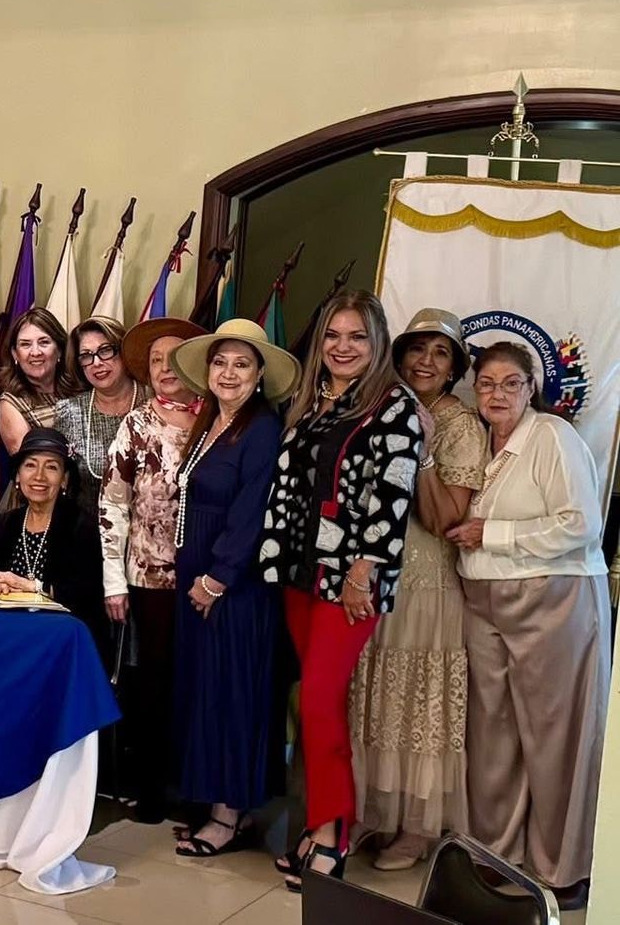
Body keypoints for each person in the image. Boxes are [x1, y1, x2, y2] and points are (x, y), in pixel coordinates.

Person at [257, 290, 423, 889]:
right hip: (298, 573)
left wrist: (364, 570)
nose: (343, 347)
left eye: (356, 337)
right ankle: (322, 822)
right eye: (333, 336)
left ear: (376, 342)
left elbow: (393, 497)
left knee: (323, 703)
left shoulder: (393, 405)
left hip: (348, 582)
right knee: (314, 705)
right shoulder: (312, 398)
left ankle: (331, 835)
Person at [449, 342, 607, 910]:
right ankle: (496, 854)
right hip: (482, 599)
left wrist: (492, 533)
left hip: (553, 598)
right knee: (491, 732)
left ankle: (563, 869)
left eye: (511, 383)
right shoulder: (472, 439)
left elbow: (582, 523)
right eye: (486, 383)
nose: (497, 394)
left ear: (531, 386)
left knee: (555, 737)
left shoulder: (552, 438)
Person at [348, 308, 483, 869]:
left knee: (416, 705)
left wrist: (424, 453)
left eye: (441, 353)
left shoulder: (460, 424)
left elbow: (446, 518)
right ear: (399, 355)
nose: (426, 361)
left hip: (426, 586)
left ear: (454, 368)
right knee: (372, 698)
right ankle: (371, 813)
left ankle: (420, 827)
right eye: (417, 349)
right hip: (371, 578)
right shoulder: (380, 408)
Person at [167, 319, 293, 860]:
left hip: (231, 587)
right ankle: (210, 800)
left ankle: (229, 816)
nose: (229, 372)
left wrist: (216, 579)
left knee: (233, 696)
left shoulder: (261, 426)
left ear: (260, 374)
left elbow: (252, 511)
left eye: (242, 364)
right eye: (221, 362)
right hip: (198, 581)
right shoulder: (212, 422)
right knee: (206, 694)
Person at [98, 316, 206, 823]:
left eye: (175, 358)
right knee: (151, 686)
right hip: (149, 580)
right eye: (156, 360)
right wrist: (114, 581)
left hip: (209, 583)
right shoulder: (138, 425)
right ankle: (151, 789)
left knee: (199, 685)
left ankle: (196, 789)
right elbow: (112, 506)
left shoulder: (218, 421)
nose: (164, 368)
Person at [0, 427, 109, 652]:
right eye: (30, 465)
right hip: (14, 629)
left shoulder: (81, 524)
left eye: (51, 467)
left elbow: (86, 592)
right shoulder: (10, 521)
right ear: (18, 476)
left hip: (61, 636)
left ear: (65, 480)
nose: (39, 476)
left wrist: (30, 586)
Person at [52, 316, 146, 527]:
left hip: (148, 537)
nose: (96, 362)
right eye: (86, 356)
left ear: (123, 351)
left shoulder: (154, 403)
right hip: (86, 537)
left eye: (105, 350)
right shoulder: (69, 412)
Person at [0, 306, 81, 454]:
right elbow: (30, 466)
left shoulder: (81, 387)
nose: (35, 352)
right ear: (15, 354)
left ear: (60, 349)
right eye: (25, 344)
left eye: (44, 342)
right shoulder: (11, 403)